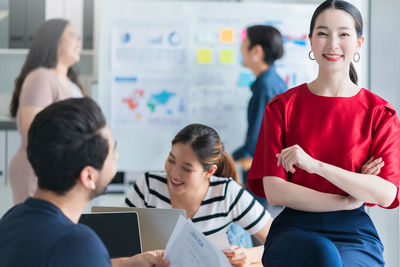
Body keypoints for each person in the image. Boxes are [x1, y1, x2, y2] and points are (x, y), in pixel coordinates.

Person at [247, 1, 400, 266]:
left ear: (359, 43)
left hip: (355, 234)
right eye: (322, 33)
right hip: (293, 230)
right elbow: (275, 191)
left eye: (343, 34)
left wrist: (314, 165)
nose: (332, 44)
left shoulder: (379, 113)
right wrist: (349, 197)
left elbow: (385, 193)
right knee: (323, 256)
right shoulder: (282, 107)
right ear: (310, 41)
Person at [0, 98, 170, 267]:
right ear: (89, 176)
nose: (117, 156)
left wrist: (126, 263)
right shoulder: (77, 244)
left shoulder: (13, 218)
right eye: (113, 150)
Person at [125, 123, 273, 266]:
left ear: (209, 171)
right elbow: (117, 239)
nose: (174, 174)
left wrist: (248, 255)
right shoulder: (149, 185)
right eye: (171, 160)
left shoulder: (227, 193)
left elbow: (281, 240)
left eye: (187, 169)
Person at [9, 18, 84, 204]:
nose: (78, 42)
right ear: (53, 40)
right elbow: (33, 128)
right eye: (72, 35)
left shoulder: (73, 85)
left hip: (64, 173)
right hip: (39, 172)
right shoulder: (41, 77)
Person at [232, 25, 288, 217]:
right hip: (269, 175)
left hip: (263, 177)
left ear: (256, 51)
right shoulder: (272, 82)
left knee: (261, 237)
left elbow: (255, 141)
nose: (240, 50)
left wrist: (228, 159)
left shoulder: (265, 86)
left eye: (244, 45)